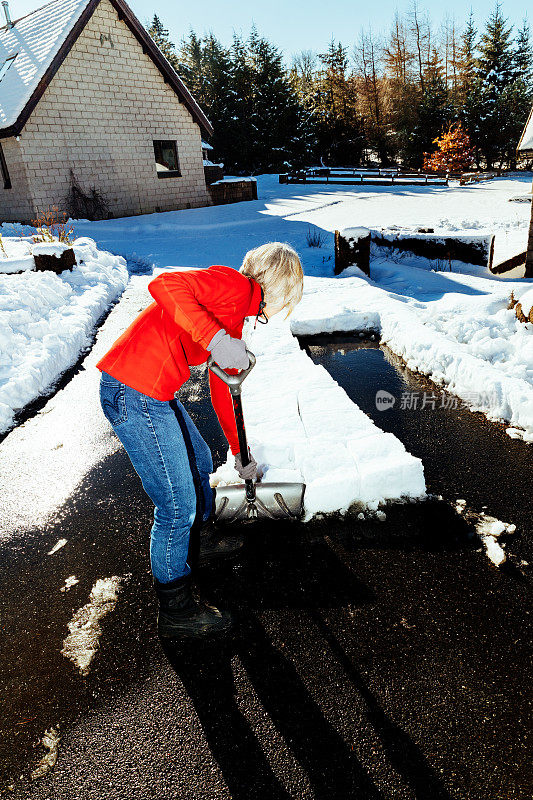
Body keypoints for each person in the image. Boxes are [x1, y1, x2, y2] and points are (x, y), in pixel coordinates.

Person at [96, 242, 304, 639]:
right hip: (133, 390)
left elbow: (224, 389)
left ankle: (201, 538)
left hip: (152, 391)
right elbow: (166, 285)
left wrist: (241, 454)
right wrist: (215, 338)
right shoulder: (233, 285)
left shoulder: (236, 316)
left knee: (200, 458)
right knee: (175, 505)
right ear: (280, 287)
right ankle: (176, 608)